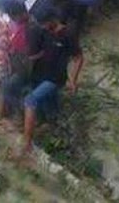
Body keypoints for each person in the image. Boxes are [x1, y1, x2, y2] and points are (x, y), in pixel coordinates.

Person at [22, 9, 84, 153]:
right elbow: (45, 50)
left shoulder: (68, 34)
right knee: (50, 104)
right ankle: (54, 123)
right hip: (43, 73)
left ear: (52, 20)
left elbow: (79, 58)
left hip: (56, 78)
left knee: (29, 100)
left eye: (43, 24)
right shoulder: (46, 31)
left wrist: (72, 80)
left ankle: (26, 143)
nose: (42, 27)